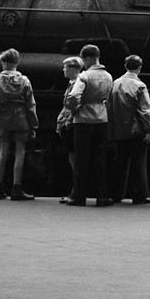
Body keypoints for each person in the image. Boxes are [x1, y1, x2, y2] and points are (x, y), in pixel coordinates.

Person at [0, 48, 39, 201]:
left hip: (3, 118)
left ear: (4, 62)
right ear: (16, 62)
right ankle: (16, 188)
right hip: (21, 119)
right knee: (20, 152)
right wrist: (33, 125)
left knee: (3, 153)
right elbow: (30, 105)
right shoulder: (25, 81)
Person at [67, 44, 114, 207]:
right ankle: (102, 196)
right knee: (100, 158)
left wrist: (74, 110)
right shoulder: (108, 76)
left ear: (87, 58)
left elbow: (74, 96)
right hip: (102, 118)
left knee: (81, 158)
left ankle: (79, 196)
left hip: (83, 120)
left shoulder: (84, 76)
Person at [109, 54, 150, 205]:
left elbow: (109, 106)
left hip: (119, 128)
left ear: (125, 66)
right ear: (140, 68)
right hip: (137, 129)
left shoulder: (115, 83)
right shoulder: (140, 86)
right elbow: (145, 111)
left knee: (120, 161)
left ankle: (116, 194)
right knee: (138, 162)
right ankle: (140, 194)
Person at [56, 56, 83, 203]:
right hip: (68, 123)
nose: (63, 70)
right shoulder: (72, 83)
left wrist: (66, 121)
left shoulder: (77, 85)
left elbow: (71, 106)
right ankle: (75, 190)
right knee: (73, 158)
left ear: (73, 69)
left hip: (72, 124)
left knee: (74, 159)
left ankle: (76, 191)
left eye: (65, 67)